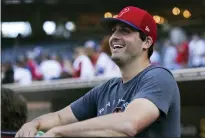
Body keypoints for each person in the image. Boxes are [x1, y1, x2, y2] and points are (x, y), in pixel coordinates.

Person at [15, 6, 180, 138]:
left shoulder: (159, 77)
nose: (114, 36)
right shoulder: (107, 88)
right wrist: (33, 124)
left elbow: (129, 124)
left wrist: (59, 132)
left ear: (147, 42)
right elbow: (59, 118)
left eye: (125, 31)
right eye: (113, 30)